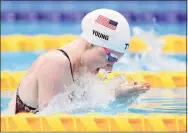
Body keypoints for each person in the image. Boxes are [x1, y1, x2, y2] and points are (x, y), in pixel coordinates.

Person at [9, 9, 150, 114]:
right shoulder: (56, 63)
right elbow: (53, 122)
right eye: (110, 58)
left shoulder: (82, 69)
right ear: (93, 43)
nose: (109, 69)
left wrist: (116, 93)